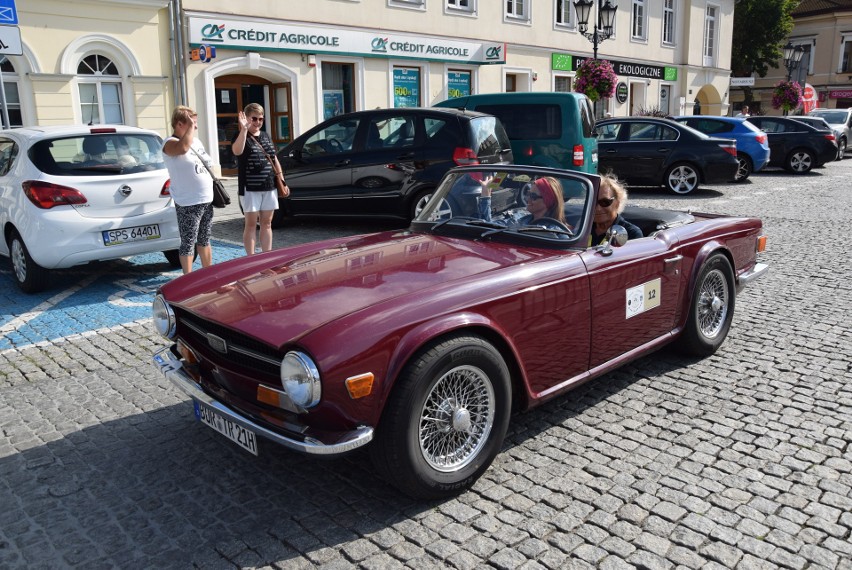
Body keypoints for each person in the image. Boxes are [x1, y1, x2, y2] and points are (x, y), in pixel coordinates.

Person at [162, 105, 214, 274]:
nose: (195, 127)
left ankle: (208, 274)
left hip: (205, 198)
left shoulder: (196, 141)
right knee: (188, 241)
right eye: (192, 123)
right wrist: (190, 130)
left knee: (204, 239)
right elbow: (182, 148)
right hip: (188, 201)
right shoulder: (169, 143)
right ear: (179, 124)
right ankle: (188, 278)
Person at [231, 103, 289, 256]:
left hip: (269, 186)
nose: (257, 122)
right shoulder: (241, 136)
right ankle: (250, 258)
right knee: (250, 225)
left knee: (267, 223)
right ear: (247, 118)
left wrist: (282, 180)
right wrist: (243, 129)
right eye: (254, 119)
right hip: (250, 188)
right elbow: (237, 151)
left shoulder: (265, 136)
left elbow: (273, 158)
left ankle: (266, 256)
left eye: (261, 119)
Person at [477, 176, 570, 234]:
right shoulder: (519, 218)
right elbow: (487, 227)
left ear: (547, 201)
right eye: (528, 193)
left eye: (533, 196)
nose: (527, 199)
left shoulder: (556, 231)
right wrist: (485, 195)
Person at [590, 173, 643, 246]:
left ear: (617, 203)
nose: (598, 208)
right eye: (593, 202)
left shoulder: (631, 234)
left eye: (605, 202)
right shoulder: (582, 230)